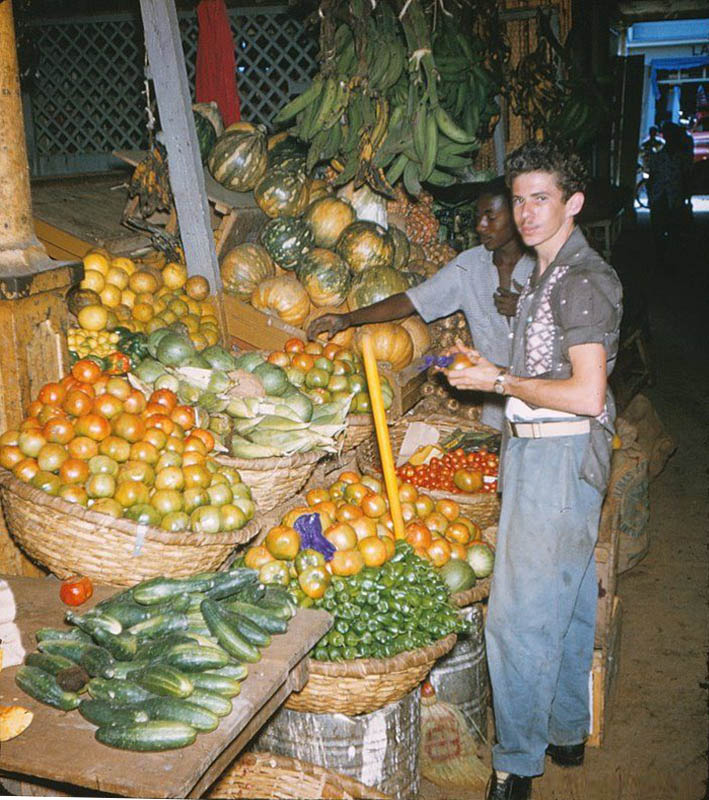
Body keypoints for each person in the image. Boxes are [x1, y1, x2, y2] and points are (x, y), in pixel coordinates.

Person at [439, 141, 622, 799]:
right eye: (518, 198)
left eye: (539, 197)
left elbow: (585, 393)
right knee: (568, 598)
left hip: (557, 452)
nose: (524, 211)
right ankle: (565, 731)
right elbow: (546, 376)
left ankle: (515, 765)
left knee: (513, 619)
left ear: (572, 202)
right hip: (543, 450)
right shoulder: (546, 274)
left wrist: (498, 378)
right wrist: (489, 374)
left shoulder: (579, 281)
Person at [307, 177, 535, 430]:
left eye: (490, 217)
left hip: (544, 409)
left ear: (517, 216)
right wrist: (348, 319)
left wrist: (529, 307)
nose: (480, 226)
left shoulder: (546, 265)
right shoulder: (468, 266)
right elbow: (410, 301)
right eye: (478, 216)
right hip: (497, 415)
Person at [647, 122, 692, 261]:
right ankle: (662, 255)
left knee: (673, 228)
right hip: (660, 195)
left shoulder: (680, 157)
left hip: (674, 195)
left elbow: (686, 177)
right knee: (659, 229)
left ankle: (671, 256)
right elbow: (652, 177)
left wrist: (686, 197)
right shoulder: (659, 156)